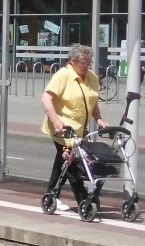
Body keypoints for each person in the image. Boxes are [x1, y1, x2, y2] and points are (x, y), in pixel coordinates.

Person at [41, 44, 109, 213]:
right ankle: (84, 200)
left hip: (80, 129)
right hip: (62, 128)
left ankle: (51, 195)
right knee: (72, 162)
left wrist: (99, 119)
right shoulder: (63, 75)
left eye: (89, 63)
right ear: (72, 61)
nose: (87, 67)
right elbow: (46, 98)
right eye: (83, 63)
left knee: (63, 160)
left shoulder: (92, 77)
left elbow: (91, 101)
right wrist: (56, 121)